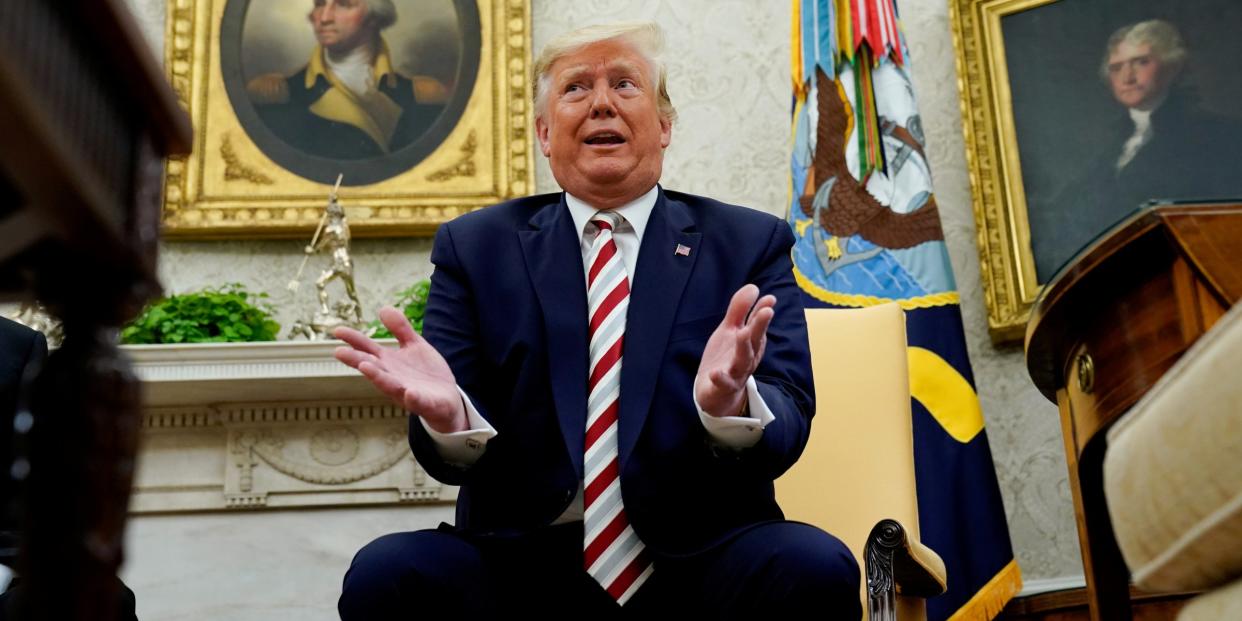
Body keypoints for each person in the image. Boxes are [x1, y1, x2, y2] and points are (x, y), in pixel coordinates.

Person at [332, 22, 861, 620]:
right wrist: (453, 418)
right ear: (543, 133)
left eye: (626, 84)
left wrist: (730, 406)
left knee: (812, 565)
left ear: (664, 128)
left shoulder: (746, 243)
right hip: (522, 565)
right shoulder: (475, 248)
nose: (602, 102)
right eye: (576, 88)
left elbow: (789, 419)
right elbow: (444, 456)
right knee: (389, 574)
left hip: (700, 559)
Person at [1031, 19, 1242, 278]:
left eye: (1141, 62)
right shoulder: (1109, 151)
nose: (1127, 78)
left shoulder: (1215, 135)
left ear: (1171, 66)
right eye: (1116, 68)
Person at [247, 0, 449, 160]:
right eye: (319, 4)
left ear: (374, 17)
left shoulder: (422, 95)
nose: (324, 18)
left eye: (343, 4)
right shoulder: (278, 95)